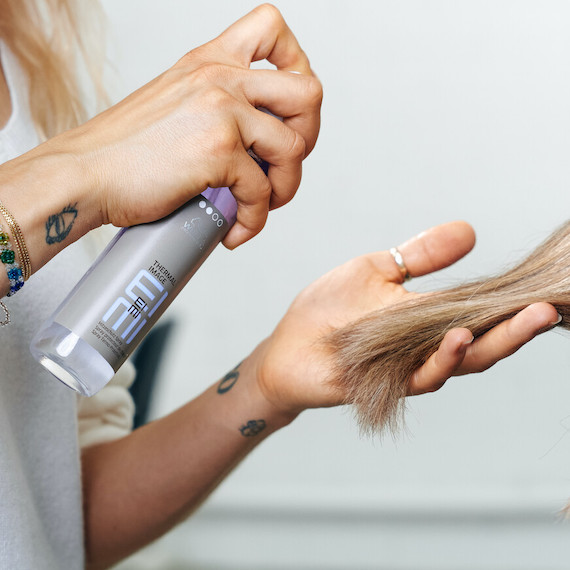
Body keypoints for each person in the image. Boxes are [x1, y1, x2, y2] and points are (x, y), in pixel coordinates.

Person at [0, 2, 560, 569]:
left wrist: (263, 387)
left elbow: (55, 511)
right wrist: (83, 168)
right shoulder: (75, 142)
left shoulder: (23, 63)